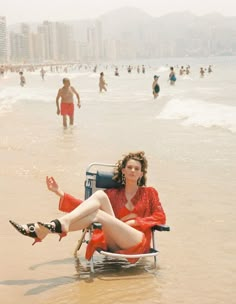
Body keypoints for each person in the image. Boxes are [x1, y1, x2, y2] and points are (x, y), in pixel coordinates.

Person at [9, 151, 166, 264]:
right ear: (123, 170)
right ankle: (58, 225)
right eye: (129, 167)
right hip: (113, 241)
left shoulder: (150, 193)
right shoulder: (112, 194)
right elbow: (83, 207)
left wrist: (134, 223)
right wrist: (59, 193)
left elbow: (160, 217)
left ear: (141, 173)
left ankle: (45, 229)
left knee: (96, 212)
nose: (133, 171)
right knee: (99, 198)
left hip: (137, 241)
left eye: (136, 169)